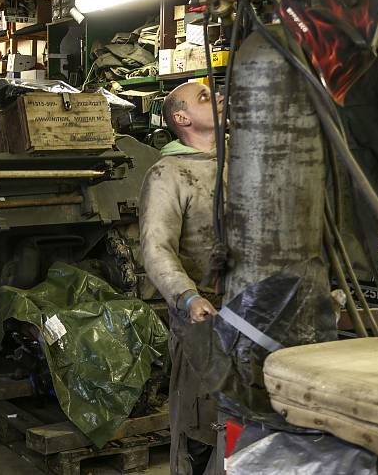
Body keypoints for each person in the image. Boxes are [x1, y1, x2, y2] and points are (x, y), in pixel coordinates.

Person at [138, 81, 224, 475]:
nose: (218, 96)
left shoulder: (244, 162)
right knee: (200, 428)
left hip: (254, 313)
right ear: (181, 118)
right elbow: (156, 248)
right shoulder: (168, 173)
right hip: (202, 319)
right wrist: (187, 298)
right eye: (204, 96)